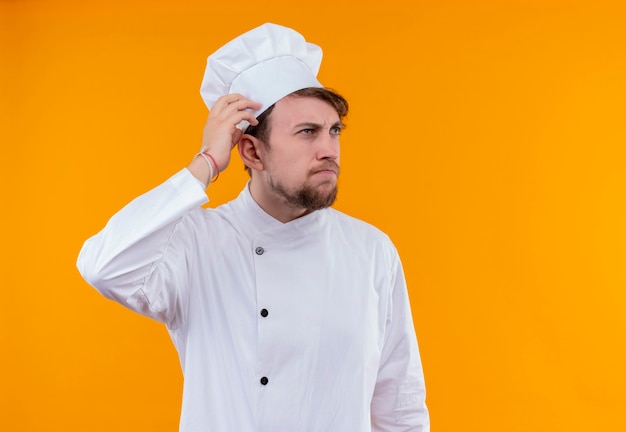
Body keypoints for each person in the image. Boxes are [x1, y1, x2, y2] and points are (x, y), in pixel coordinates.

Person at [77, 23, 429, 432]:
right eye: (307, 133)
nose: (329, 150)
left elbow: (399, 405)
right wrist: (206, 162)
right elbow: (104, 266)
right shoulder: (198, 244)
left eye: (334, 131)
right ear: (251, 151)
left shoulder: (371, 251)